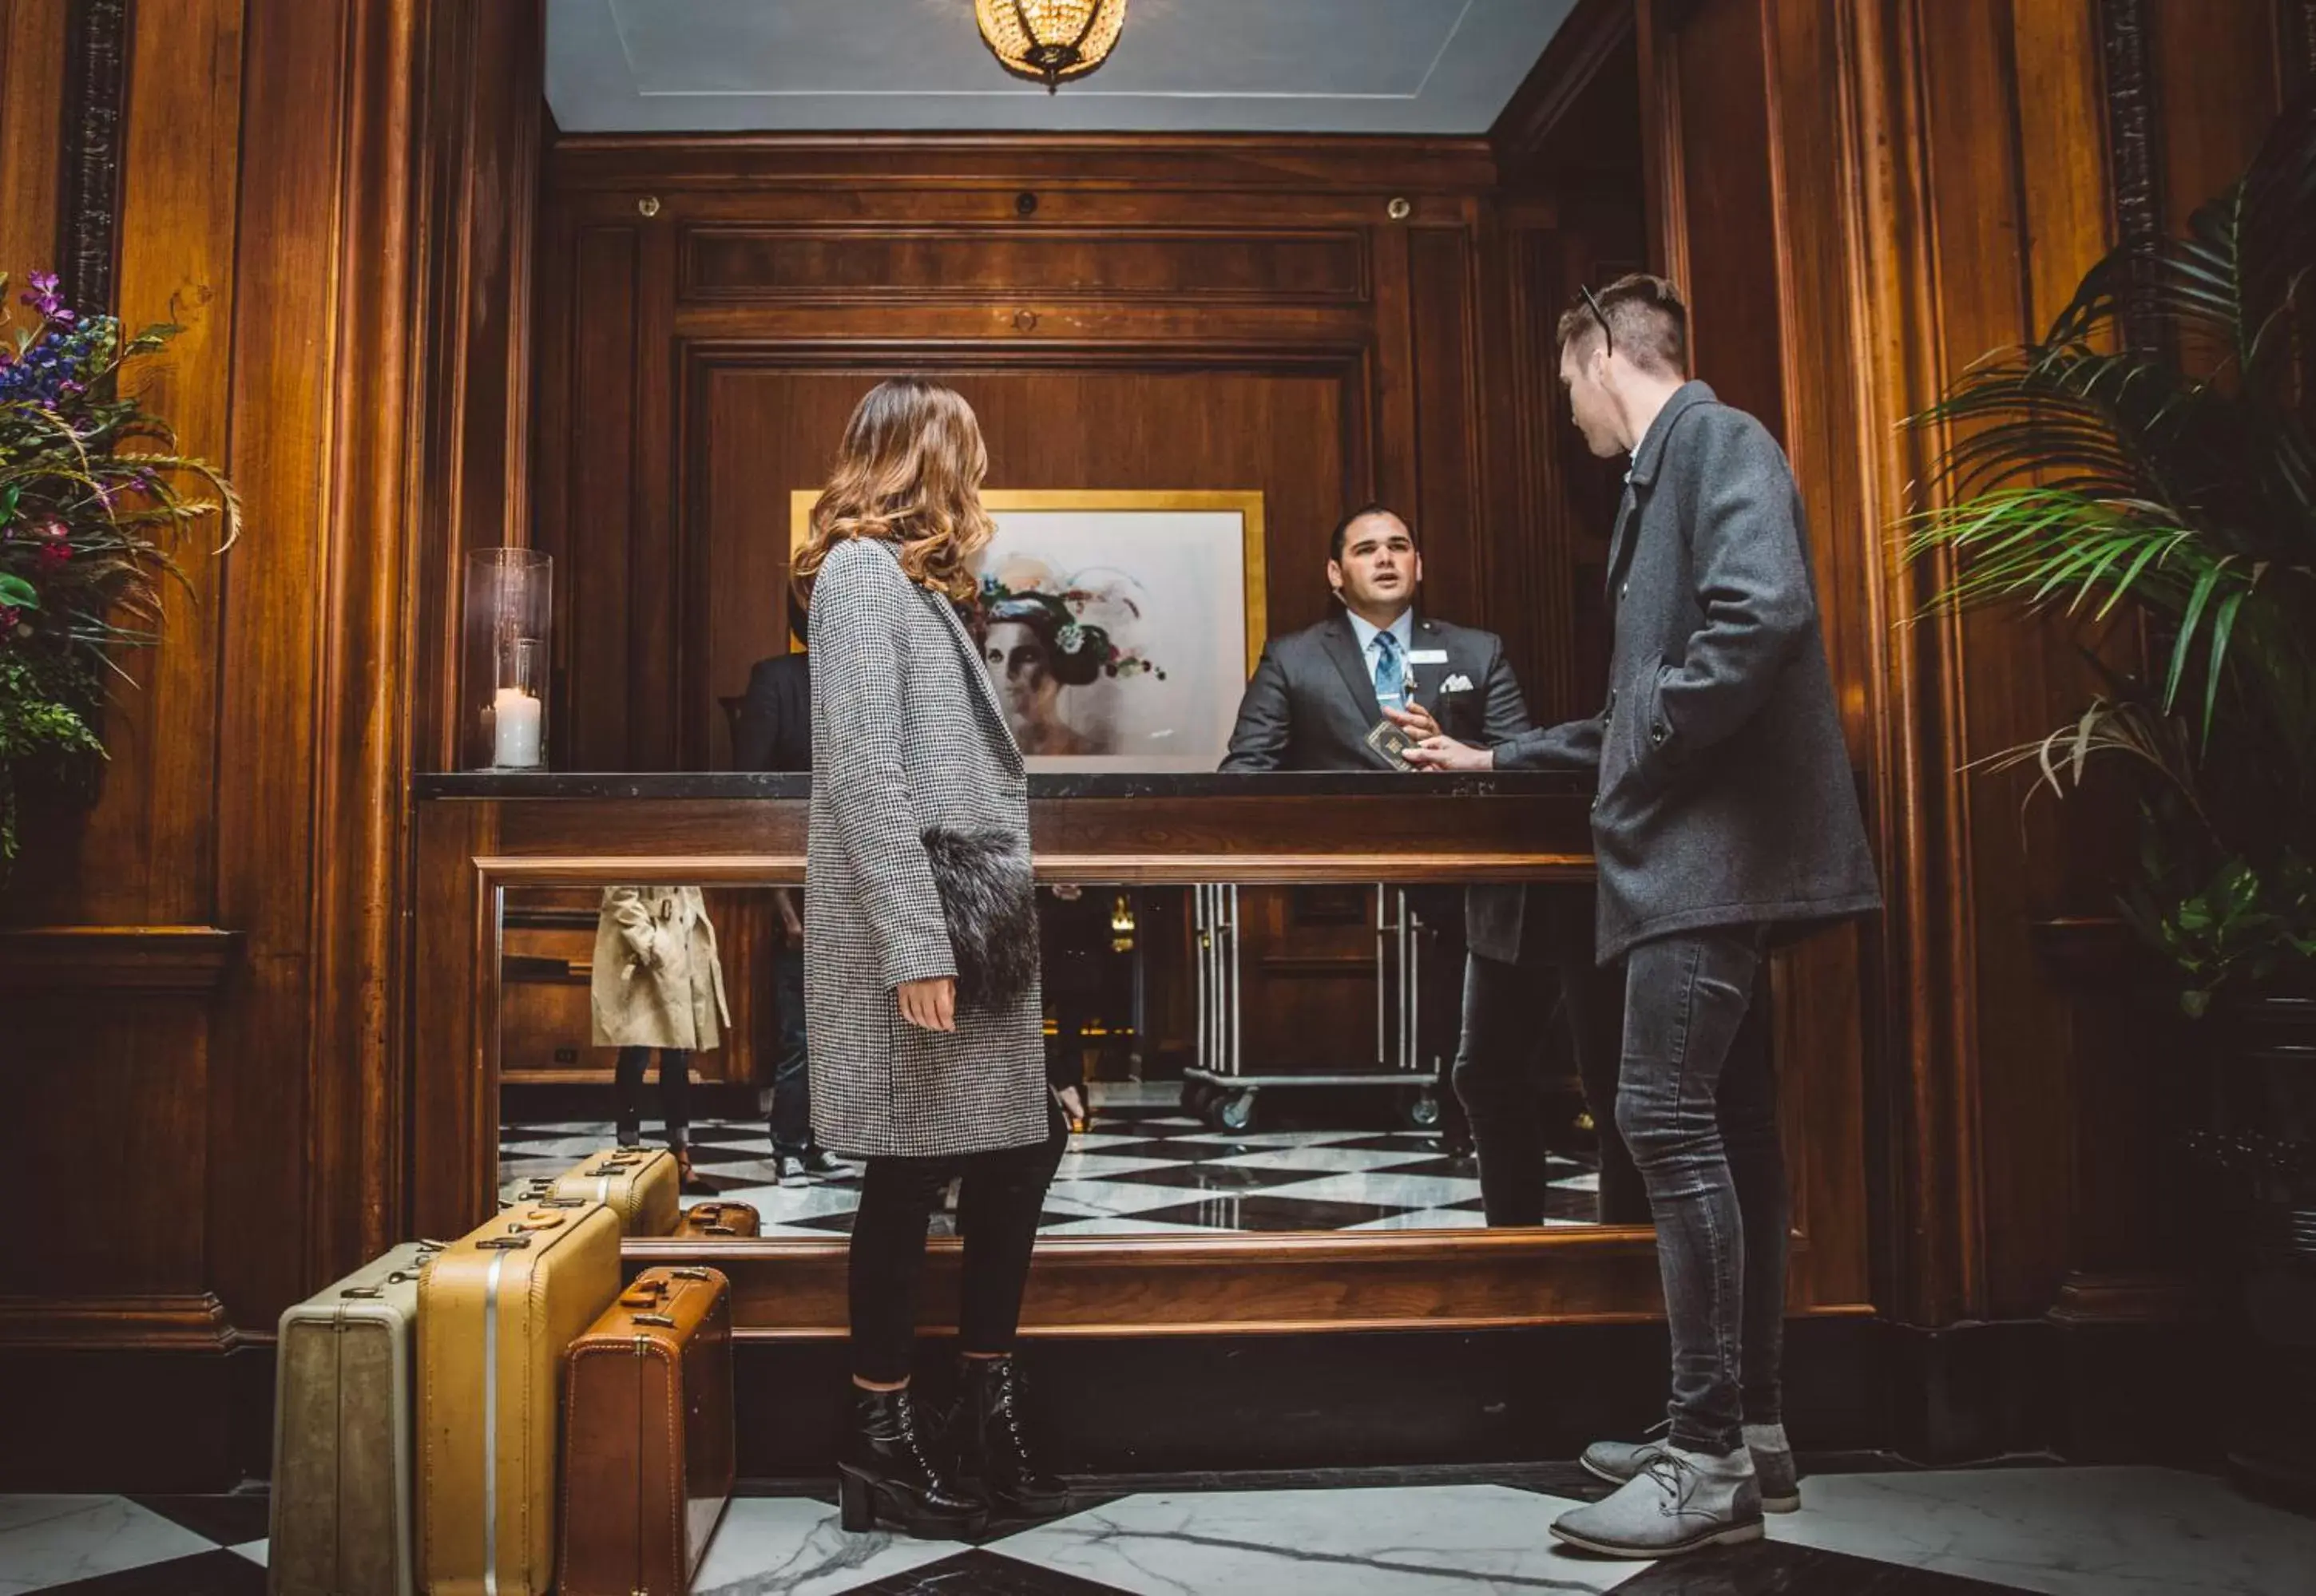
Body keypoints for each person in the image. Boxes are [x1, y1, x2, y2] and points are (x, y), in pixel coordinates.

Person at [1409, 274, 1881, 1557]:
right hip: (1713, 860)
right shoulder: (1662, 470)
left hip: (1706, 864)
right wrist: (1497, 762)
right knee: (1734, 1127)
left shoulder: (1715, 439)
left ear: (1603, 354)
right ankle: (1758, 1429)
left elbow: (1759, 621)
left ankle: (1706, 1451)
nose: (1568, 416)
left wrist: (1646, 756)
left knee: (1662, 1118)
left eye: (1567, 387)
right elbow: (1644, 695)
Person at [796, 376, 1071, 1540]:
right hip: (925, 921)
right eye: (971, 456)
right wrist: (915, 942)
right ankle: (881, 1427)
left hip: (975, 918)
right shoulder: (861, 572)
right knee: (907, 1175)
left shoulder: (913, 589)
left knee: (1023, 1138)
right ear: (921, 462)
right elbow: (863, 770)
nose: (982, 481)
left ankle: (976, 1405)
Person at [1220, 503, 1531, 1154]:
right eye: (1366, 549)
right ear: (1336, 574)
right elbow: (1246, 770)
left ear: (1420, 564)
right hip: (1340, 889)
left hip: (1458, 883)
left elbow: (1523, 759)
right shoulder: (1294, 657)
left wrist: (1453, 749)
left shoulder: (1478, 650)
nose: (1385, 558)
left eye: (1398, 546)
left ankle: (1462, 1114)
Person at [733, 603, 848, 1186]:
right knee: (799, 1031)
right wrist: (779, 899)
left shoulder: (868, 677)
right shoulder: (776, 678)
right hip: (798, 881)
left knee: (845, 1027)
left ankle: (824, 1139)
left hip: (857, 878)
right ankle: (786, 1146)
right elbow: (750, 797)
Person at [589, 885, 731, 1193]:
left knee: (678, 1056)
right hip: (642, 953)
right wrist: (650, 943)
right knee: (635, 1054)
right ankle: (626, 1154)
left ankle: (680, 1155)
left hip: (679, 947)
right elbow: (619, 893)